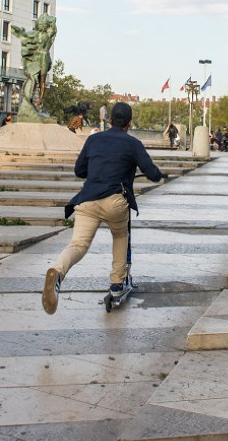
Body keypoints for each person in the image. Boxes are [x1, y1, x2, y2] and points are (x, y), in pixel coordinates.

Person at [42, 103, 165, 314]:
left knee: (78, 245)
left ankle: (57, 271)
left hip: (88, 198)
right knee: (120, 235)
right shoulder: (133, 143)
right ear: (129, 122)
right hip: (115, 200)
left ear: (109, 121)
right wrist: (159, 175)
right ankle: (117, 284)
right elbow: (151, 171)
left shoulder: (93, 139)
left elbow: (79, 170)